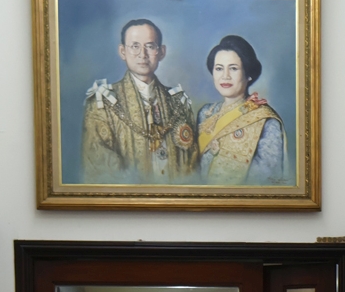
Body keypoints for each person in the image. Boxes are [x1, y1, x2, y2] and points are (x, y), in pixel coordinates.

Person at [81, 18, 196, 184]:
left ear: (161, 52)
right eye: (135, 46)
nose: (143, 54)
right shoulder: (102, 104)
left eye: (150, 46)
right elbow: (99, 169)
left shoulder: (178, 103)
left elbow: (193, 166)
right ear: (122, 51)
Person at [197, 34, 286, 185]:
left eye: (233, 68)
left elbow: (266, 181)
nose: (225, 76)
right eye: (219, 68)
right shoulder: (205, 114)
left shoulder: (266, 121)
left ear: (248, 74)